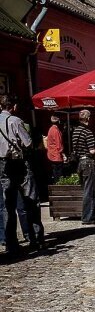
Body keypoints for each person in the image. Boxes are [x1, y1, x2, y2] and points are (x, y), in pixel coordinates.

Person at [0, 95, 44, 255]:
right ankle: (36, 239)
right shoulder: (15, 121)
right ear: (14, 106)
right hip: (18, 163)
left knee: (7, 205)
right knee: (31, 200)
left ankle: (10, 242)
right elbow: (28, 143)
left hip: (2, 165)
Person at [71, 109, 95, 225]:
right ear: (88, 118)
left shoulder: (76, 131)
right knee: (89, 190)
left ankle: (89, 215)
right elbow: (92, 151)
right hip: (88, 162)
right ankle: (87, 217)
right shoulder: (88, 132)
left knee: (86, 189)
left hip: (80, 163)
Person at [45, 116, 65, 184]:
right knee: (59, 174)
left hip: (51, 154)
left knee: (55, 172)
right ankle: (59, 187)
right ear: (58, 121)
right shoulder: (56, 130)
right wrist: (63, 154)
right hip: (56, 155)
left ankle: (56, 185)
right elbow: (59, 144)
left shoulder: (50, 129)